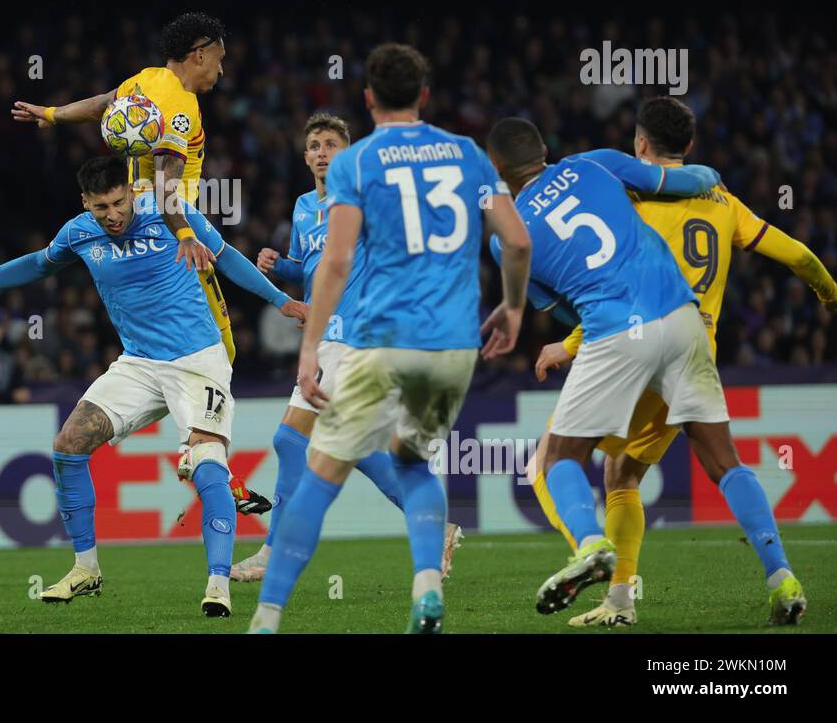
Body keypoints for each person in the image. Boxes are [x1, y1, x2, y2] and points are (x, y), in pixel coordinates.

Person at [0, 155, 306, 617]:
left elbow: (227, 257)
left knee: (204, 461)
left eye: (119, 203)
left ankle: (218, 584)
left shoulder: (168, 212)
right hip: (138, 364)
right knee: (68, 444)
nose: (112, 215)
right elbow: (37, 265)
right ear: (86, 203)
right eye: (101, 208)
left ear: (131, 192)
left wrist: (282, 302)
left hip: (198, 361)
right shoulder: (81, 232)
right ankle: (86, 569)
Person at [248, 43, 532, 634]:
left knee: (320, 471)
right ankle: (427, 584)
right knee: (411, 460)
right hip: (454, 343)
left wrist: (307, 346)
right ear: (426, 96)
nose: (324, 153)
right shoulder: (469, 153)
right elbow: (519, 242)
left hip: (376, 336)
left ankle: (267, 616)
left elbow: (337, 261)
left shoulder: (358, 165)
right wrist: (512, 308)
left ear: (369, 99)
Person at [485, 116, 806, 625]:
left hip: (616, 332)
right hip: (684, 319)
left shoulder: (506, 240)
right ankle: (781, 575)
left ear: (496, 168)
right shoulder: (596, 162)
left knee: (557, 459)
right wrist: (710, 177)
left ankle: (590, 547)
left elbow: (565, 307)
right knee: (725, 461)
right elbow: (687, 179)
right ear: (545, 148)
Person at [11, 13, 272, 516]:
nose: (222, 67)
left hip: (133, 226)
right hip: (170, 238)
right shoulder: (182, 105)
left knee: (170, 347)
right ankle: (201, 456)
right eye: (219, 56)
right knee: (217, 348)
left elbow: (106, 105)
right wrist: (187, 236)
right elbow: (170, 189)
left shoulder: (144, 79)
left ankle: (202, 455)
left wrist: (53, 113)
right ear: (200, 52)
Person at [230, 112, 462, 582]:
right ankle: (437, 526)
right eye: (313, 144)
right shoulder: (301, 207)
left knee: (289, 438)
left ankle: (275, 549)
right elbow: (311, 267)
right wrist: (282, 267)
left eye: (330, 144)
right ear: (305, 156)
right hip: (326, 332)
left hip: (351, 332)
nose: (320, 152)